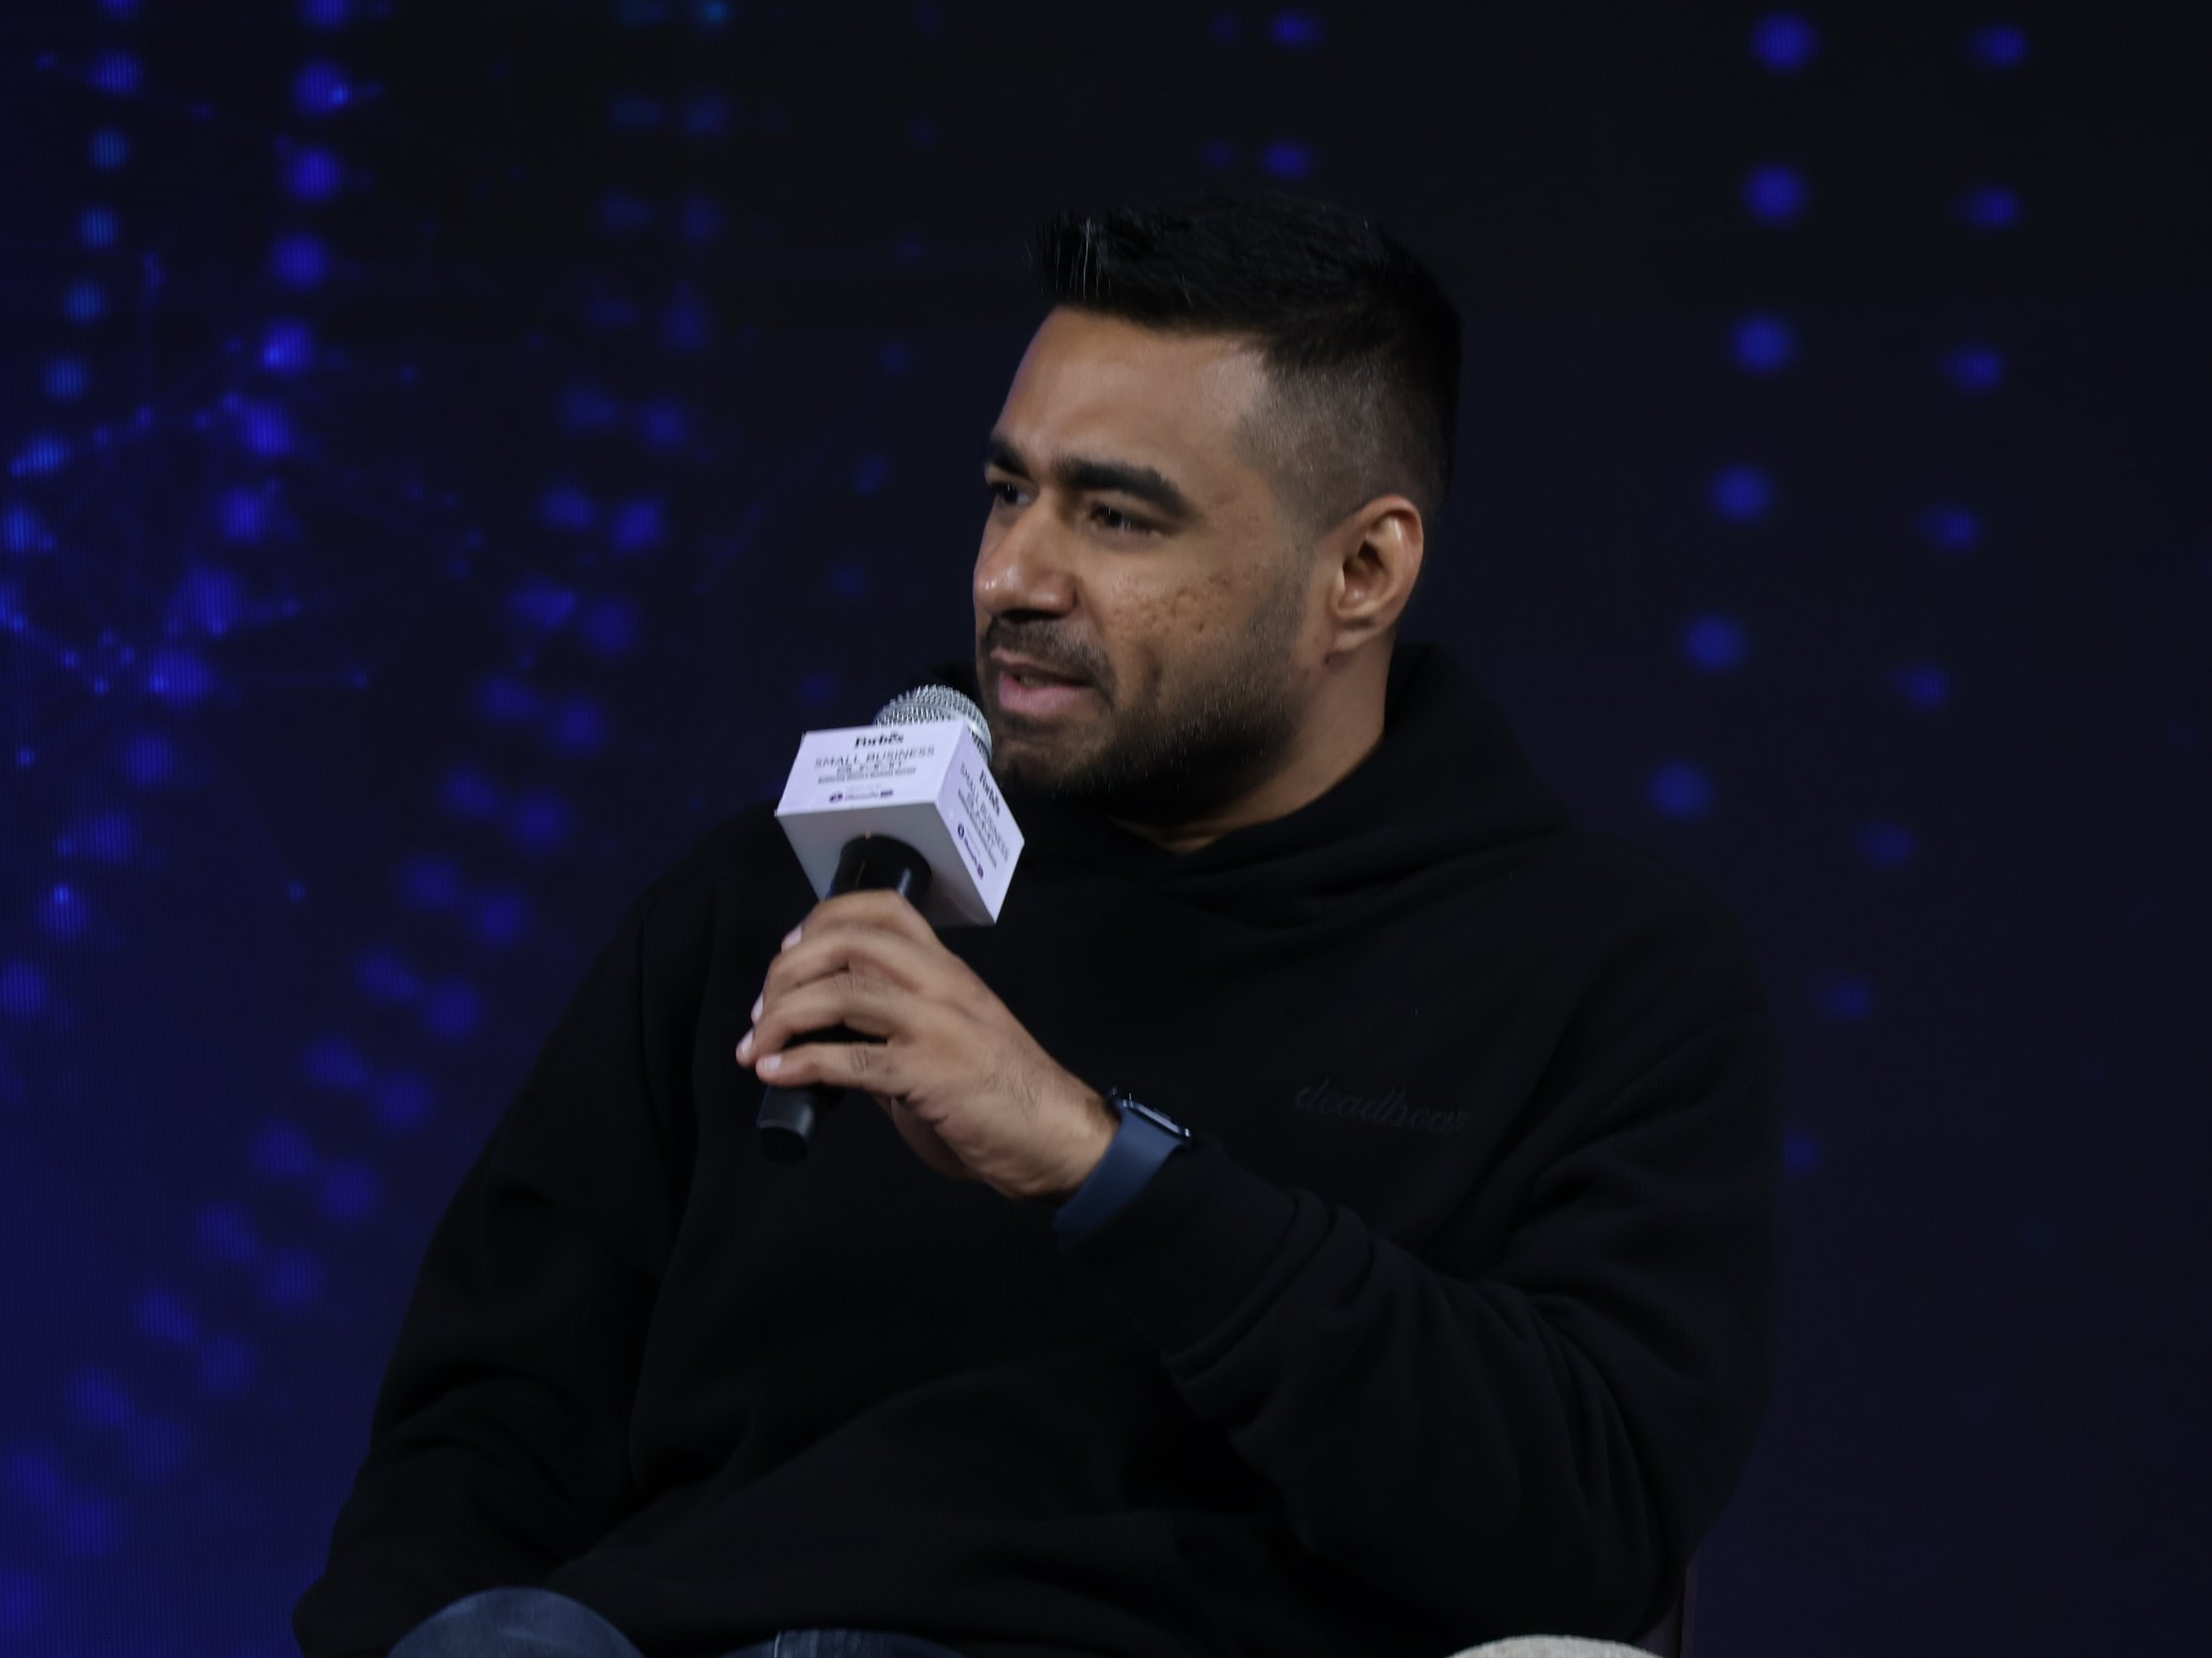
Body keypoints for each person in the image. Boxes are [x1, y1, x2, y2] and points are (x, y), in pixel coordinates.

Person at [293, 190, 1779, 1658]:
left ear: (1362, 572)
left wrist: (1098, 1163)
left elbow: (1587, 1516)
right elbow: (479, 1439)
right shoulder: (777, 893)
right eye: (1010, 492)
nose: (1014, 577)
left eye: (1118, 516)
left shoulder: (1600, 967)